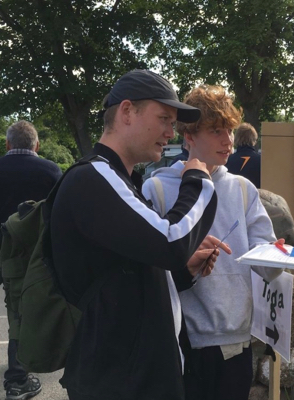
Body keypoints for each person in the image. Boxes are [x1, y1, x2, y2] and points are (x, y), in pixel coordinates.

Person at [50, 69, 226, 400]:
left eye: (173, 124)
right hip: (118, 382)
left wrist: (181, 273)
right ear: (127, 111)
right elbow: (171, 241)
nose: (170, 133)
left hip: (131, 375)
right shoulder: (94, 178)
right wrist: (199, 180)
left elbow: (132, 266)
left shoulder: (120, 180)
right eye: (164, 119)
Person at [143, 84, 282, 400]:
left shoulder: (243, 189)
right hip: (183, 340)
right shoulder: (158, 189)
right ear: (189, 135)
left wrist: (278, 257)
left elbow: (268, 268)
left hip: (237, 339)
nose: (228, 140)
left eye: (230, 130)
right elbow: (150, 273)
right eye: (217, 130)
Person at [0, 120, 61, 400]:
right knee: (21, 312)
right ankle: (17, 379)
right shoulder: (51, 171)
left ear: (8, 144)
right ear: (36, 145)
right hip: (32, 256)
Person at [225, 122, 261, 188]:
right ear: (254, 139)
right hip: (257, 197)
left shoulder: (227, 160)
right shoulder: (261, 161)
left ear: (236, 138)